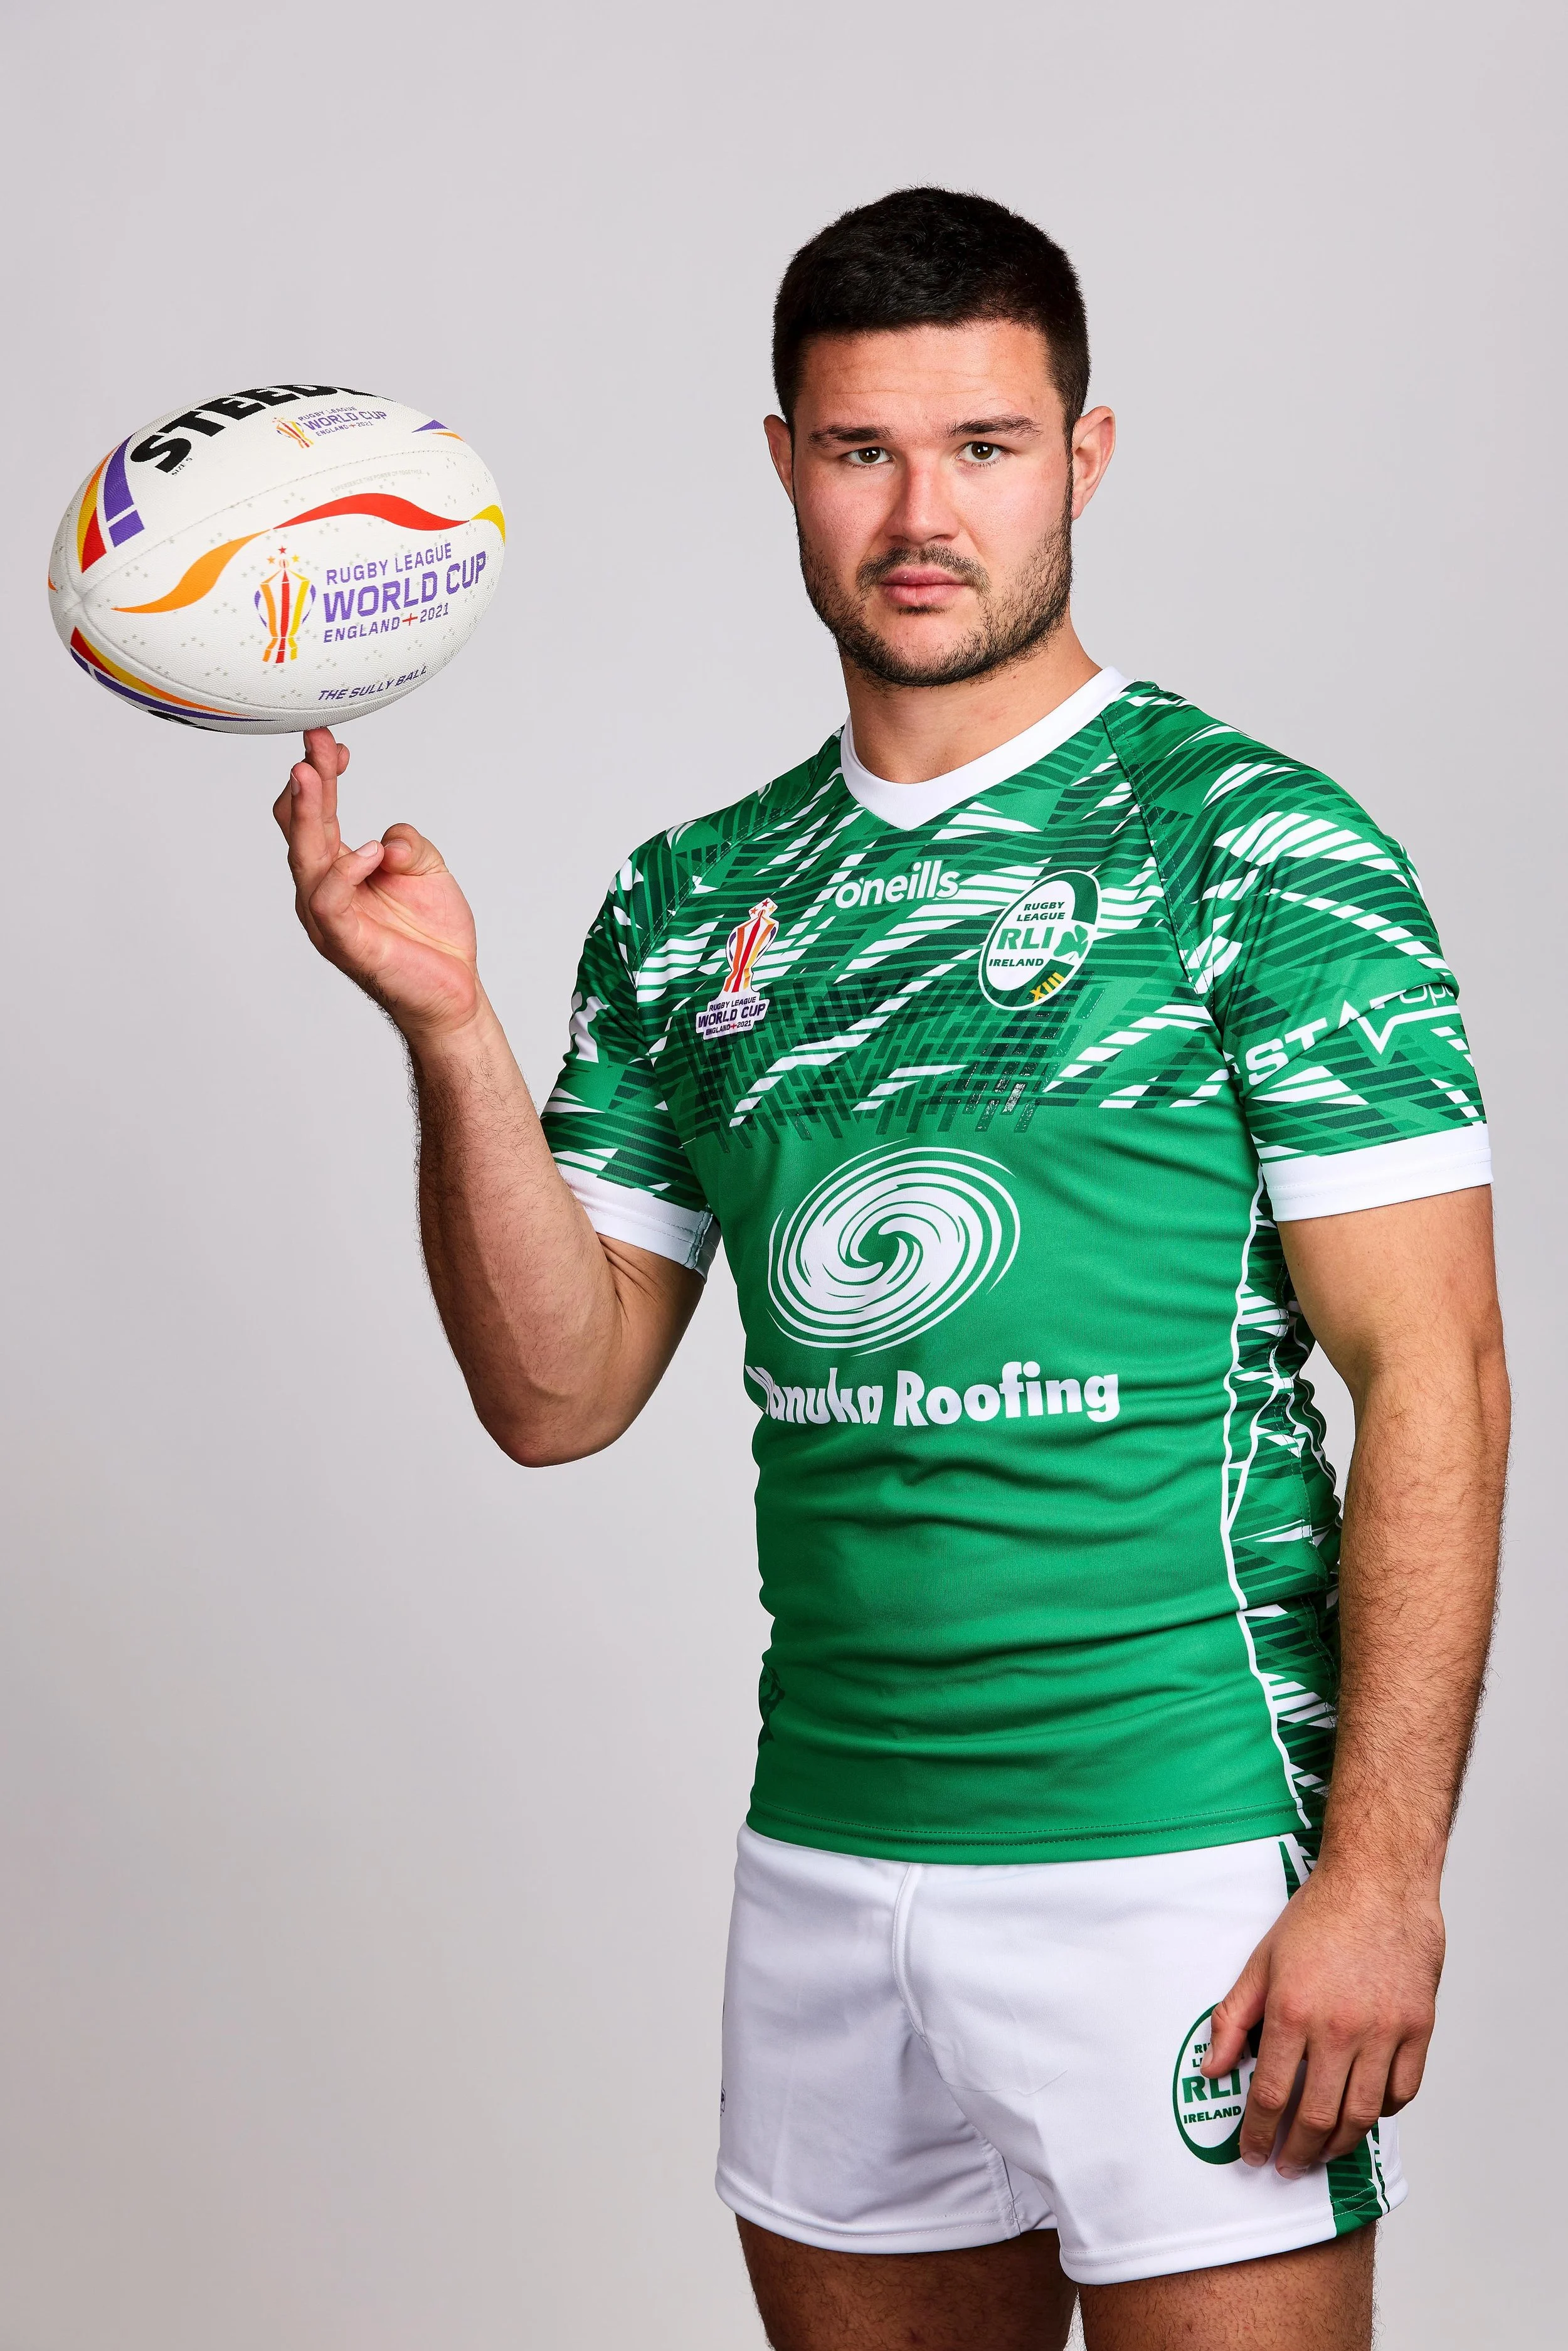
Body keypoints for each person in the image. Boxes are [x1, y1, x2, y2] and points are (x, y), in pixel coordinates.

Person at [273, 189, 1508, 2351]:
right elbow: (556, 1394)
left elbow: (1436, 1379)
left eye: (985, 447)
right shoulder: (695, 896)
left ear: (1085, 454)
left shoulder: (1256, 849)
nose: (920, 513)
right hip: (829, 1861)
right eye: (862, 452)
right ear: (784, 463)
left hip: (1174, 1852)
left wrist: (1381, 1881)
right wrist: (448, 1028)